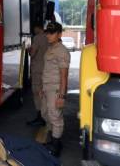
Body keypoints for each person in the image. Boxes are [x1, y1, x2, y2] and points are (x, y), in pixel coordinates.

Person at [40, 22, 70, 157]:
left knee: (55, 117)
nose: (48, 35)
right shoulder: (50, 48)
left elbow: (64, 75)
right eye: (47, 32)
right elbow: (47, 70)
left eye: (52, 33)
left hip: (55, 89)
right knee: (45, 114)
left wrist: (61, 96)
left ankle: (56, 146)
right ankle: (53, 140)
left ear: (59, 34)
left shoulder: (62, 51)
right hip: (47, 88)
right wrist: (42, 87)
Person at [27, 24, 49, 126]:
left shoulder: (37, 38)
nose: (34, 30)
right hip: (47, 69)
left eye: (34, 28)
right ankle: (46, 116)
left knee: (37, 93)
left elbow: (32, 53)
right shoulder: (49, 37)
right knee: (45, 93)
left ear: (38, 27)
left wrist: (28, 49)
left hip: (37, 69)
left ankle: (40, 116)